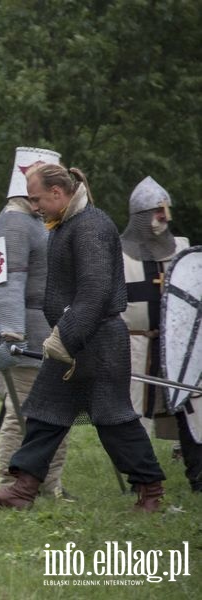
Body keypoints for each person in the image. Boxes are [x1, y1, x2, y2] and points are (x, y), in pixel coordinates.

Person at [0, 163, 167, 511]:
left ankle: (151, 490)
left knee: (114, 421)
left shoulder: (90, 226)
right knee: (45, 413)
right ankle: (21, 491)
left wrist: (65, 337)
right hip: (74, 339)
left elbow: (95, 291)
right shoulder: (65, 225)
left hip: (98, 340)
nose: (35, 206)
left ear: (58, 193)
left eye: (38, 198)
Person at [0, 147, 71, 499]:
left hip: (51, 332)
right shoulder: (11, 222)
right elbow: (5, 283)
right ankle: (10, 484)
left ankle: (50, 485)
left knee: (55, 415)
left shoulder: (38, 222)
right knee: (20, 414)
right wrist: (10, 334)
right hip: (26, 334)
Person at [120, 176, 200, 492]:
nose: (162, 218)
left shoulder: (181, 249)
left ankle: (199, 475)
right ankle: (143, 479)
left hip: (179, 346)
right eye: (156, 211)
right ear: (140, 216)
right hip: (136, 342)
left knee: (191, 409)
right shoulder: (119, 252)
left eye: (165, 211)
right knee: (135, 413)